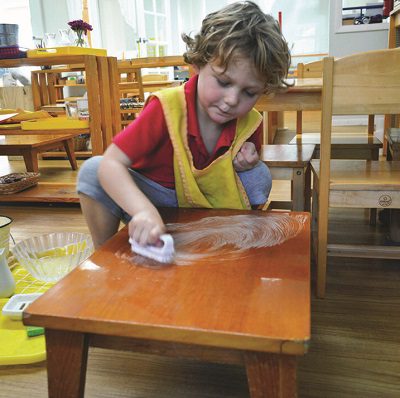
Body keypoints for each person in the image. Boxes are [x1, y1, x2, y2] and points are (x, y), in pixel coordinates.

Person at [77, 1, 291, 249]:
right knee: (93, 170)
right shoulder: (167, 107)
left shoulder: (250, 122)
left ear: (263, 90)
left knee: (259, 175)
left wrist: (247, 163)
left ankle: (234, 240)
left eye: (249, 92)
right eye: (223, 82)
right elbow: (110, 164)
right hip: (157, 200)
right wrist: (144, 211)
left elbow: (248, 178)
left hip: (207, 210)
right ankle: (106, 256)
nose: (232, 100)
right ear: (198, 65)